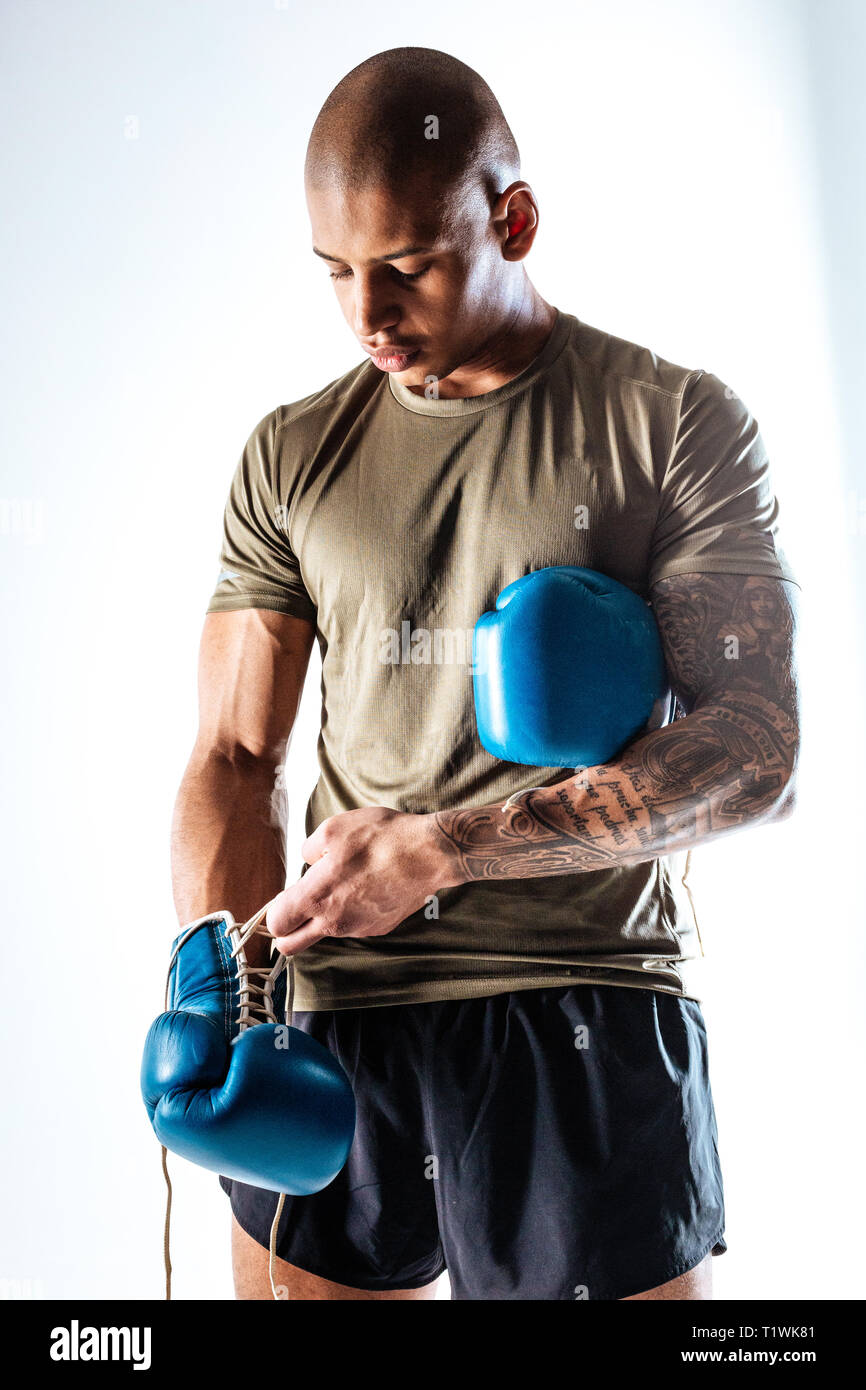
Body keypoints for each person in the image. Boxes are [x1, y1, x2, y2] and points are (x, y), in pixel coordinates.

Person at [172, 46, 800, 1301]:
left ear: (510, 218)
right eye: (336, 273)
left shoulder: (669, 421)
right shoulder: (293, 453)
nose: (366, 314)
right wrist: (210, 982)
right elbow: (237, 757)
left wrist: (451, 847)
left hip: (583, 994)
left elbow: (755, 750)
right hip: (334, 1012)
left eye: (404, 266)